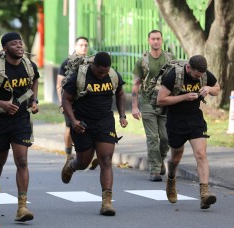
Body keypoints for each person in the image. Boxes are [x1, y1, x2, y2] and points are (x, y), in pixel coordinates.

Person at [0, 32, 39, 222]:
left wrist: (34, 100)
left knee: (22, 160)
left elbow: (35, 79)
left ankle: (22, 207)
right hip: (0, 120)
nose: (20, 46)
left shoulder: (29, 65)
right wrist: (2, 104)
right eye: (14, 44)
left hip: (21, 119)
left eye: (20, 43)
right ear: (5, 48)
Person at [61, 52, 128, 216]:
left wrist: (122, 115)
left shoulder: (112, 75)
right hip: (82, 123)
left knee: (106, 159)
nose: (103, 75)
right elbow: (66, 99)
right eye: (100, 72)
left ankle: (106, 203)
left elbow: (119, 93)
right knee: (84, 162)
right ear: (93, 65)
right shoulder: (80, 75)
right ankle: (72, 164)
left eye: (106, 71)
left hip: (105, 122)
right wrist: (73, 121)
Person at [157, 55, 220, 209]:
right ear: (188, 68)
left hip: (195, 120)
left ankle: (204, 194)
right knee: (176, 158)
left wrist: (209, 88)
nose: (198, 78)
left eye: (200, 76)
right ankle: (171, 178)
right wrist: (184, 97)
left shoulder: (204, 75)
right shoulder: (174, 75)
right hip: (176, 121)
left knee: (201, 154)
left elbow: (217, 88)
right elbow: (161, 100)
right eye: (196, 75)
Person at [131, 30, 174, 181]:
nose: (156, 41)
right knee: (152, 138)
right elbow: (136, 84)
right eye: (153, 39)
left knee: (166, 137)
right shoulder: (142, 61)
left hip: (165, 102)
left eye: (158, 39)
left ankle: (160, 160)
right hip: (148, 102)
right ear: (149, 41)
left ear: (162, 40)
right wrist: (135, 106)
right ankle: (155, 170)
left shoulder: (170, 58)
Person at [56, 36, 98, 169]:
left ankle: (93, 156)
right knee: (69, 127)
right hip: (70, 102)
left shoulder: (92, 62)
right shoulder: (67, 62)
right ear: (75, 46)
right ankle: (68, 155)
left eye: (86, 45)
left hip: (87, 103)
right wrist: (61, 102)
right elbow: (59, 84)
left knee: (91, 128)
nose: (84, 47)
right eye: (81, 45)